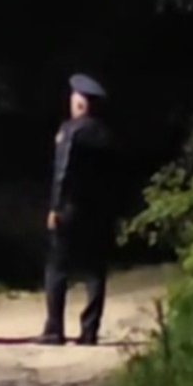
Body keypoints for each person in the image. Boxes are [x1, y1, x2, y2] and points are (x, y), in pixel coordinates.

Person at [39, 74, 115, 346]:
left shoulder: (71, 131)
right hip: (98, 211)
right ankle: (89, 329)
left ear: (81, 102)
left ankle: (54, 329)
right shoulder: (105, 134)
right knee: (94, 271)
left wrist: (55, 206)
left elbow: (63, 171)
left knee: (57, 267)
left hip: (70, 208)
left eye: (74, 98)